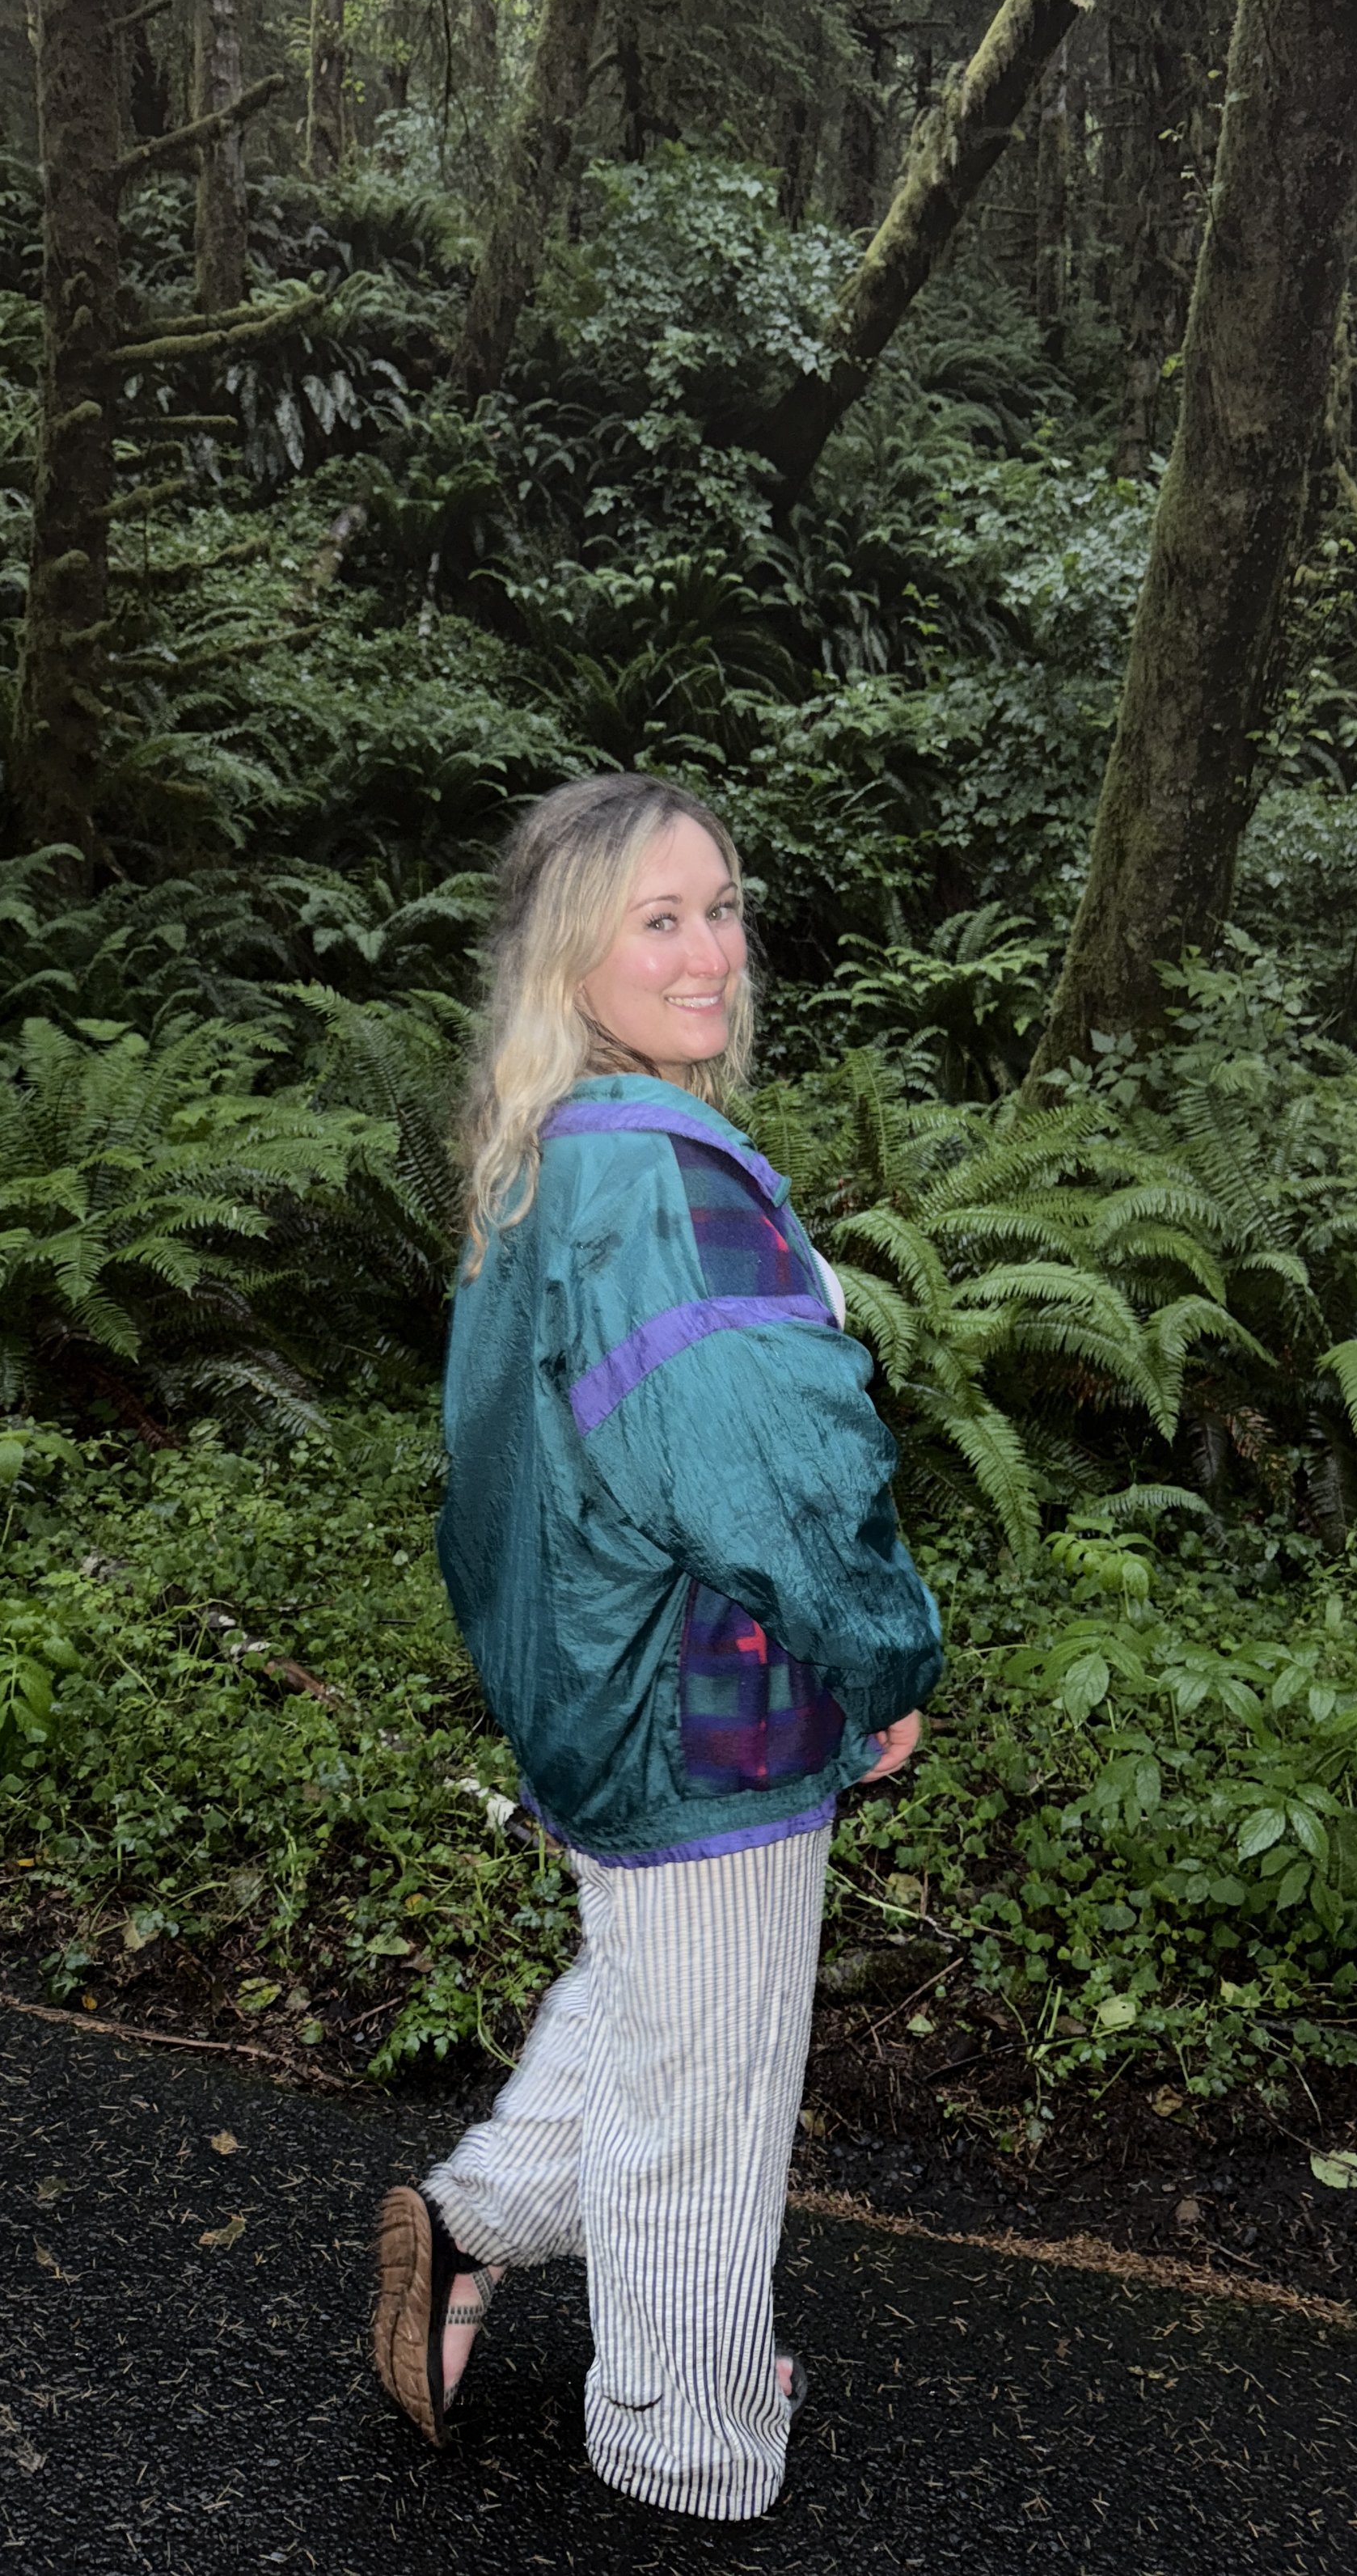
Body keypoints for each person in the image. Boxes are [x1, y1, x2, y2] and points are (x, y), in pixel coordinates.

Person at [371, 771, 941, 2521]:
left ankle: (471, 2218)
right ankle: (685, 2450)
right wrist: (880, 1660)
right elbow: (771, 1468)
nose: (711, 951)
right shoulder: (663, 1182)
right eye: (659, 918)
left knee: (648, 2004)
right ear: (573, 953)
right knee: (709, 2087)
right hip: (715, 1711)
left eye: (722, 905)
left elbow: (497, 1484)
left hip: (600, 1695)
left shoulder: (551, 1153)